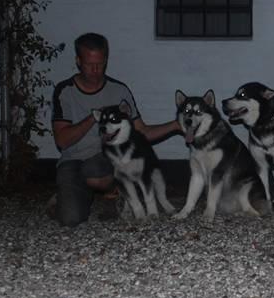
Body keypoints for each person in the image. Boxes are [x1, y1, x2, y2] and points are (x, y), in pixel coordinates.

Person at [49, 32, 181, 226]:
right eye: (89, 64)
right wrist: (95, 117)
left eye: (100, 64)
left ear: (106, 61)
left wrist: (176, 125)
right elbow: (62, 140)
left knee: (98, 167)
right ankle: (68, 195)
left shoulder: (119, 91)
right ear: (78, 61)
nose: (95, 70)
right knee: (71, 219)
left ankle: (113, 195)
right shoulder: (65, 91)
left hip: (107, 159)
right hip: (73, 161)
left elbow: (141, 132)